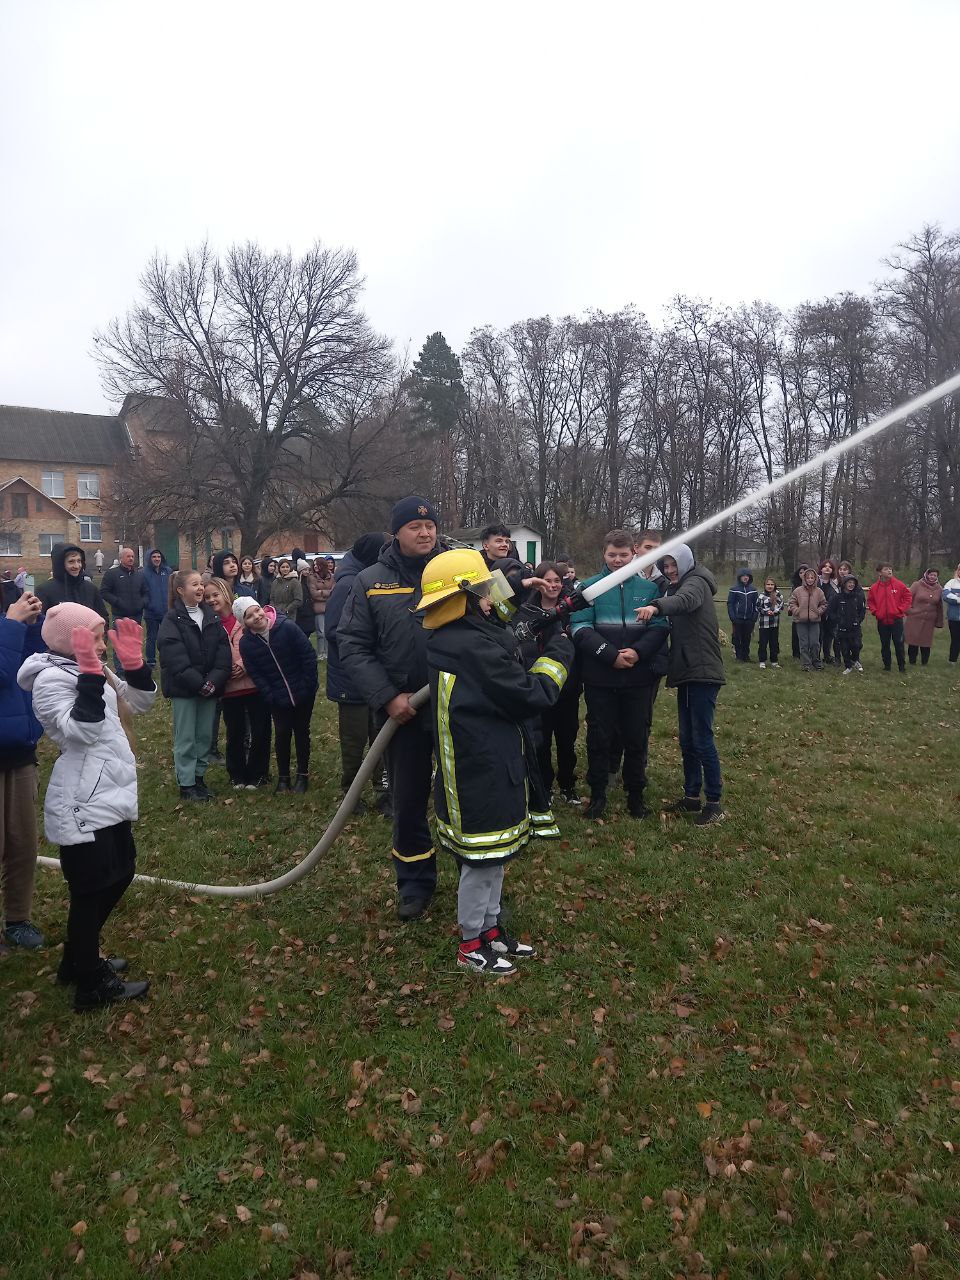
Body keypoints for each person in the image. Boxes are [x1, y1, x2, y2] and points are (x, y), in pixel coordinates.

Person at [417, 548, 573, 976]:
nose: (493, 599)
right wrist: (560, 647)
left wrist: (524, 592)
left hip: (487, 760)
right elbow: (532, 694)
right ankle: (470, 943)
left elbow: (500, 619)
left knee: (494, 858)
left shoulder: (460, 632)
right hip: (478, 769)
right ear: (466, 597)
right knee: (480, 862)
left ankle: (490, 930)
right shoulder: (469, 645)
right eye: (485, 591)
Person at [18, 603, 155, 1011]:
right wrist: (92, 677)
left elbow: (141, 704)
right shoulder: (50, 679)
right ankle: (91, 983)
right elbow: (81, 731)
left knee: (121, 871)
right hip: (82, 797)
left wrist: (135, 666)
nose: (102, 642)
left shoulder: (89, 667)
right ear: (69, 640)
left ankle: (77, 959)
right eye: (95, 635)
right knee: (92, 889)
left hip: (109, 791)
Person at [338, 496, 441, 921]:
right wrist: (387, 696)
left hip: (458, 708)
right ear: (396, 532)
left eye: (431, 526)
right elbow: (353, 645)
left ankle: (481, 880)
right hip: (404, 713)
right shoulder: (371, 582)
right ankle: (414, 884)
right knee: (409, 799)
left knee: (465, 800)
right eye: (416, 527)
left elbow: (493, 622)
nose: (425, 532)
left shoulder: (457, 573)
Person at [569, 529, 669, 820]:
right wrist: (609, 654)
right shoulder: (588, 588)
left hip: (638, 677)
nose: (617, 560)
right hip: (601, 677)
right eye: (612, 555)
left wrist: (638, 653)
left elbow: (660, 627)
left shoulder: (649, 589)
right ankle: (598, 794)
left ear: (634, 554)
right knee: (599, 737)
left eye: (623, 555)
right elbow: (579, 627)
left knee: (636, 736)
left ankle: (635, 795)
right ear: (604, 554)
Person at [635, 544, 724, 825]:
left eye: (674, 565)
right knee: (687, 740)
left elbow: (685, 601)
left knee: (702, 739)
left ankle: (714, 802)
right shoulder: (677, 585)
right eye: (666, 566)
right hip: (687, 671)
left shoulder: (696, 582)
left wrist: (656, 606)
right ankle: (691, 796)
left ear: (685, 562)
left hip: (703, 672)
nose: (670, 570)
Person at [325, 534, 391, 816]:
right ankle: (350, 794)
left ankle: (383, 789)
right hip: (351, 678)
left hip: (373, 674)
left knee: (380, 735)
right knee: (354, 739)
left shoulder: (366, 577)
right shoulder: (349, 584)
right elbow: (334, 631)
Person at [157, 570, 231, 801]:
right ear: (180, 591)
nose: (201, 588)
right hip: (185, 689)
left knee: (203, 736)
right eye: (194, 584)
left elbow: (222, 652)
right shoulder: (171, 619)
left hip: (209, 688)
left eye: (201, 584)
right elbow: (174, 656)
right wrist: (198, 683)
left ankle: (199, 778)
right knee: (186, 737)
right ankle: (186, 784)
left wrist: (214, 681)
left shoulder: (210, 616)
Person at [0, 592, 46, 952]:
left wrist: (31, 627)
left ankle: (18, 919)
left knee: (22, 844)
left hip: (18, 748)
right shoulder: (6, 624)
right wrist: (14, 623)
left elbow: (27, 667)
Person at [516, 562, 583, 807]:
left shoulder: (573, 610)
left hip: (567, 687)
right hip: (537, 686)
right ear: (538, 582)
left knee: (566, 738)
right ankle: (544, 784)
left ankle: (568, 783)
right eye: (547, 581)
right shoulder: (525, 610)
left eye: (557, 581)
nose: (552, 585)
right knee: (540, 740)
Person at [237, 600, 318, 793]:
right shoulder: (247, 643)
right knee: (281, 733)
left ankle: (302, 774)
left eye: (257, 610)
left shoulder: (287, 627)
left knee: (301, 731)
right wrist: (270, 695)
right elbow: (256, 673)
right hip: (277, 696)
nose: (256, 617)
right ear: (245, 623)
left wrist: (307, 685)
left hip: (303, 691)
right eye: (249, 616)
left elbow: (308, 656)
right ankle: (283, 777)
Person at [204, 579, 272, 789]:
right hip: (230, 687)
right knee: (235, 732)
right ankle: (237, 774)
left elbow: (260, 642)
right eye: (207, 597)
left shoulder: (243, 615)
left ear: (225, 593)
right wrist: (224, 671)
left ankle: (258, 772)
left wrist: (245, 664)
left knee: (260, 729)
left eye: (215, 594)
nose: (212, 599)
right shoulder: (211, 623)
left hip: (254, 682)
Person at [100, 547, 149, 675]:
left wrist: (142, 603)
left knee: (135, 642)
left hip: (137, 615)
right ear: (121, 558)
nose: (131, 559)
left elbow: (146, 593)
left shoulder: (139, 575)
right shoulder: (112, 574)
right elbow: (104, 592)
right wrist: (117, 602)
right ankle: (120, 671)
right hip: (120, 615)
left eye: (132, 556)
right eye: (128, 556)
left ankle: (134, 667)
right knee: (119, 644)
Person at [36, 544, 108, 621]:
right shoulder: (45, 590)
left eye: (79, 561)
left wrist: (97, 631)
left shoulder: (91, 589)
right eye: (71, 561)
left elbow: (103, 618)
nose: (77, 566)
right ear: (60, 564)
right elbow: (39, 623)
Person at [867, 563, 911, 673]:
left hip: (896, 620)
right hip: (882, 621)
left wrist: (900, 609)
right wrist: (876, 612)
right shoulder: (874, 588)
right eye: (886, 569)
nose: (889, 571)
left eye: (891, 569)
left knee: (899, 643)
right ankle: (887, 666)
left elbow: (908, 598)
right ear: (880, 572)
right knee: (885, 644)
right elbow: (871, 601)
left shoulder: (899, 585)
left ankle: (902, 667)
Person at [787, 568, 827, 672]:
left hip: (815, 621)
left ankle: (816, 661)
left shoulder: (819, 591)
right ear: (804, 578)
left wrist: (818, 611)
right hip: (801, 621)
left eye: (812, 578)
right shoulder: (798, 591)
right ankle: (806, 663)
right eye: (808, 577)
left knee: (815, 643)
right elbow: (792, 602)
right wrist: (797, 611)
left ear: (815, 579)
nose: (810, 579)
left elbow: (824, 604)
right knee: (804, 644)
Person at [904, 567, 944, 665]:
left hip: (929, 620)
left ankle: (924, 663)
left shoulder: (939, 588)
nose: (932, 577)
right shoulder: (917, 585)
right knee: (913, 641)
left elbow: (940, 606)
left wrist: (939, 621)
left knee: (926, 642)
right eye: (931, 575)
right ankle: (912, 662)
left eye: (935, 575)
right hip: (915, 618)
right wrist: (909, 610)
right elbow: (907, 598)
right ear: (926, 575)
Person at [829, 573, 866, 674]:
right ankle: (848, 666)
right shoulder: (838, 597)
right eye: (849, 582)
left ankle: (855, 660)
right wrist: (838, 620)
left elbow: (862, 610)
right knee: (845, 649)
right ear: (844, 584)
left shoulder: (857, 597)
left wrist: (858, 620)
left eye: (853, 583)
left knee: (857, 645)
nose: (851, 585)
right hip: (842, 628)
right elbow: (831, 611)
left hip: (855, 627)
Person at [143, 548, 173, 667]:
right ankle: (151, 661)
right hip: (151, 612)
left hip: (166, 611)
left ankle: (166, 658)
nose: (157, 559)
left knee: (166, 637)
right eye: (154, 557)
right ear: (149, 559)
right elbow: (142, 591)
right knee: (152, 637)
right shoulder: (144, 573)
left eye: (158, 557)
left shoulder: (168, 571)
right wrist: (148, 604)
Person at [726, 568, 759, 661]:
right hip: (737, 618)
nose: (745, 578)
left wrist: (754, 617)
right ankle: (738, 655)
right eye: (744, 576)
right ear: (740, 577)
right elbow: (730, 604)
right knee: (737, 637)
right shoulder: (734, 590)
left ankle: (746, 656)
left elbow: (756, 604)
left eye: (747, 576)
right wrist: (733, 617)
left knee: (747, 638)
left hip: (749, 619)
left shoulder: (753, 590)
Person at [306, 557, 336, 659]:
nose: (315, 567)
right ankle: (320, 653)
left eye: (317, 564)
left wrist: (321, 592)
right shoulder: (312, 578)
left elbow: (334, 592)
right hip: (318, 609)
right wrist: (326, 593)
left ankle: (327, 653)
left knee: (328, 631)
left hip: (330, 607)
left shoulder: (332, 577)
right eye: (313, 565)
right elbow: (314, 593)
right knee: (321, 632)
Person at [818, 560, 841, 664]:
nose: (827, 568)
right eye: (825, 566)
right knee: (818, 637)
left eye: (830, 567)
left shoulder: (836, 584)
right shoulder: (816, 582)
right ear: (821, 569)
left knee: (829, 637)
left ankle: (827, 656)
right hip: (818, 614)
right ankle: (816, 657)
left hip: (831, 615)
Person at [757, 578, 783, 668]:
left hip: (774, 624)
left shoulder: (778, 595)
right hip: (764, 624)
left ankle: (774, 661)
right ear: (765, 586)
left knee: (774, 643)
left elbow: (781, 606)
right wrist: (765, 612)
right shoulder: (761, 596)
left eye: (772, 584)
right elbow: (758, 607)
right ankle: (762, 661)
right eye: (768, 584)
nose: (770, 586)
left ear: (774, 586)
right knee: (763, 643)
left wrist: (775, 612)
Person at [942, 564, 960, 663]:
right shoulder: (951, 583)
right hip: (954, 617)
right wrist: (958, 600)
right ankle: (952, 661)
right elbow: (945, 595)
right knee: (955, 639)